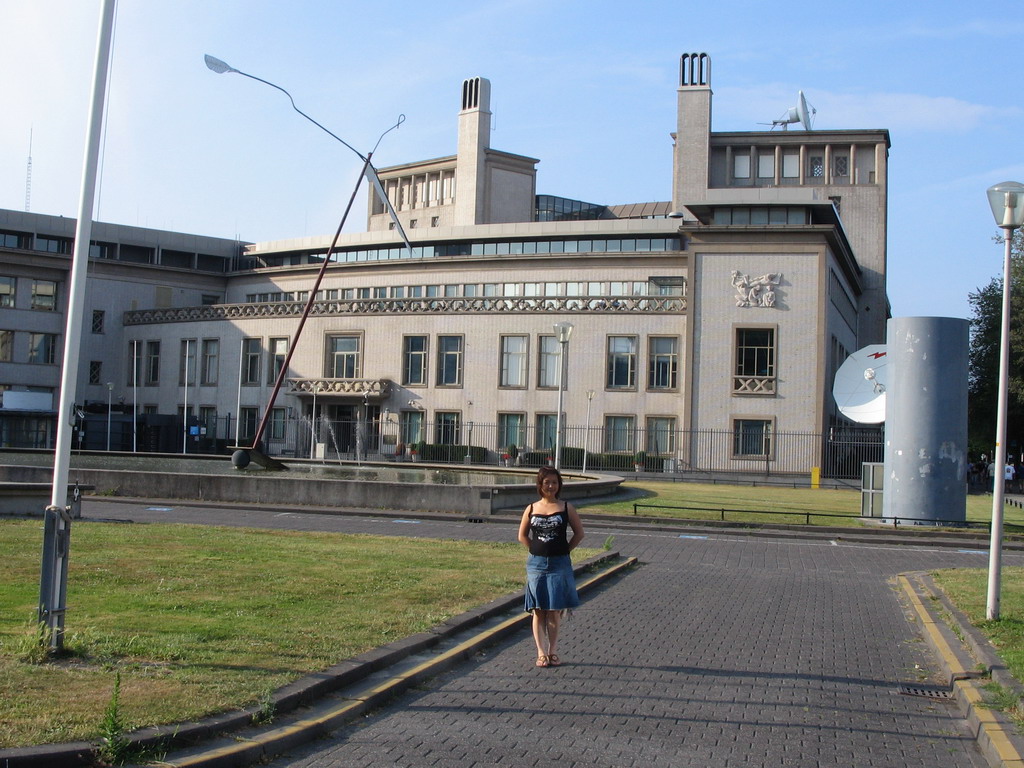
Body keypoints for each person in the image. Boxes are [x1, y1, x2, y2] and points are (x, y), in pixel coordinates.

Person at [518, 466, 584, 668]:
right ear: (540, 484)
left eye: (554, 482)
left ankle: (552, 651)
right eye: (547, 482)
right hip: (536, 565)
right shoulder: (531, 508)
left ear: (559, 485)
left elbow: (579, 533)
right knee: (538, 610)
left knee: (554, 609)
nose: (551, 486)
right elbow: (522, 536)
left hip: (559, 564)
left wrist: (565, 551)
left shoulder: (566, 507)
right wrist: (536, 551)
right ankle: (540, 652)